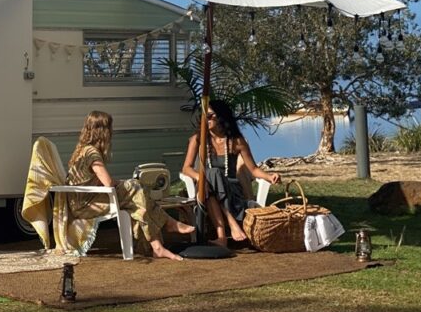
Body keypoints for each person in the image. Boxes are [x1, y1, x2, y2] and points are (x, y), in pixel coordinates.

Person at [66, 110, 194, 261]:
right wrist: (122, 183)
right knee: (137, 188)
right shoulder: (92, 153)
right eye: (110, 128)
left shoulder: (82, 149)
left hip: (84, 200)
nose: (112, 132)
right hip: (86, 205)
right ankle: (167, 224)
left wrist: (121, 183)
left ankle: (157, 246)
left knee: (137, 201)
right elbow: (107, 182)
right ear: (103, 131)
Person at [181, 100, 282, 247]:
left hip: (231, 190)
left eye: (209, 116)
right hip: (205, 188)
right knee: (211, 175)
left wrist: (269, 176)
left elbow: (253, 169)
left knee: (212, 174)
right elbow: (186, 168)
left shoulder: (236, 141)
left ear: (221, 117)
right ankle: (230, 225)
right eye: (202, 116)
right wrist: (200, 178)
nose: (205, 119)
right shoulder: (198, 140)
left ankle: (221, 236)